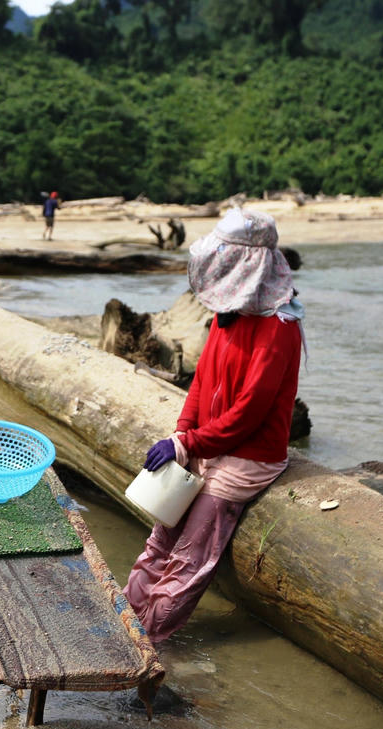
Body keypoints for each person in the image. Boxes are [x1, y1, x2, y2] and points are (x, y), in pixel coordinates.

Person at [123, 208, 304, 648]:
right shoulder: (229, 314)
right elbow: (201, 382)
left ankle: (148, 644)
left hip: (248, 456)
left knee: (189, 559)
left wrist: (190, 442)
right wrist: (181, 436)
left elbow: (249, 414)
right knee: (160, 539)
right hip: (208, 444)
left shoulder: (279, 328)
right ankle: (122, 620)